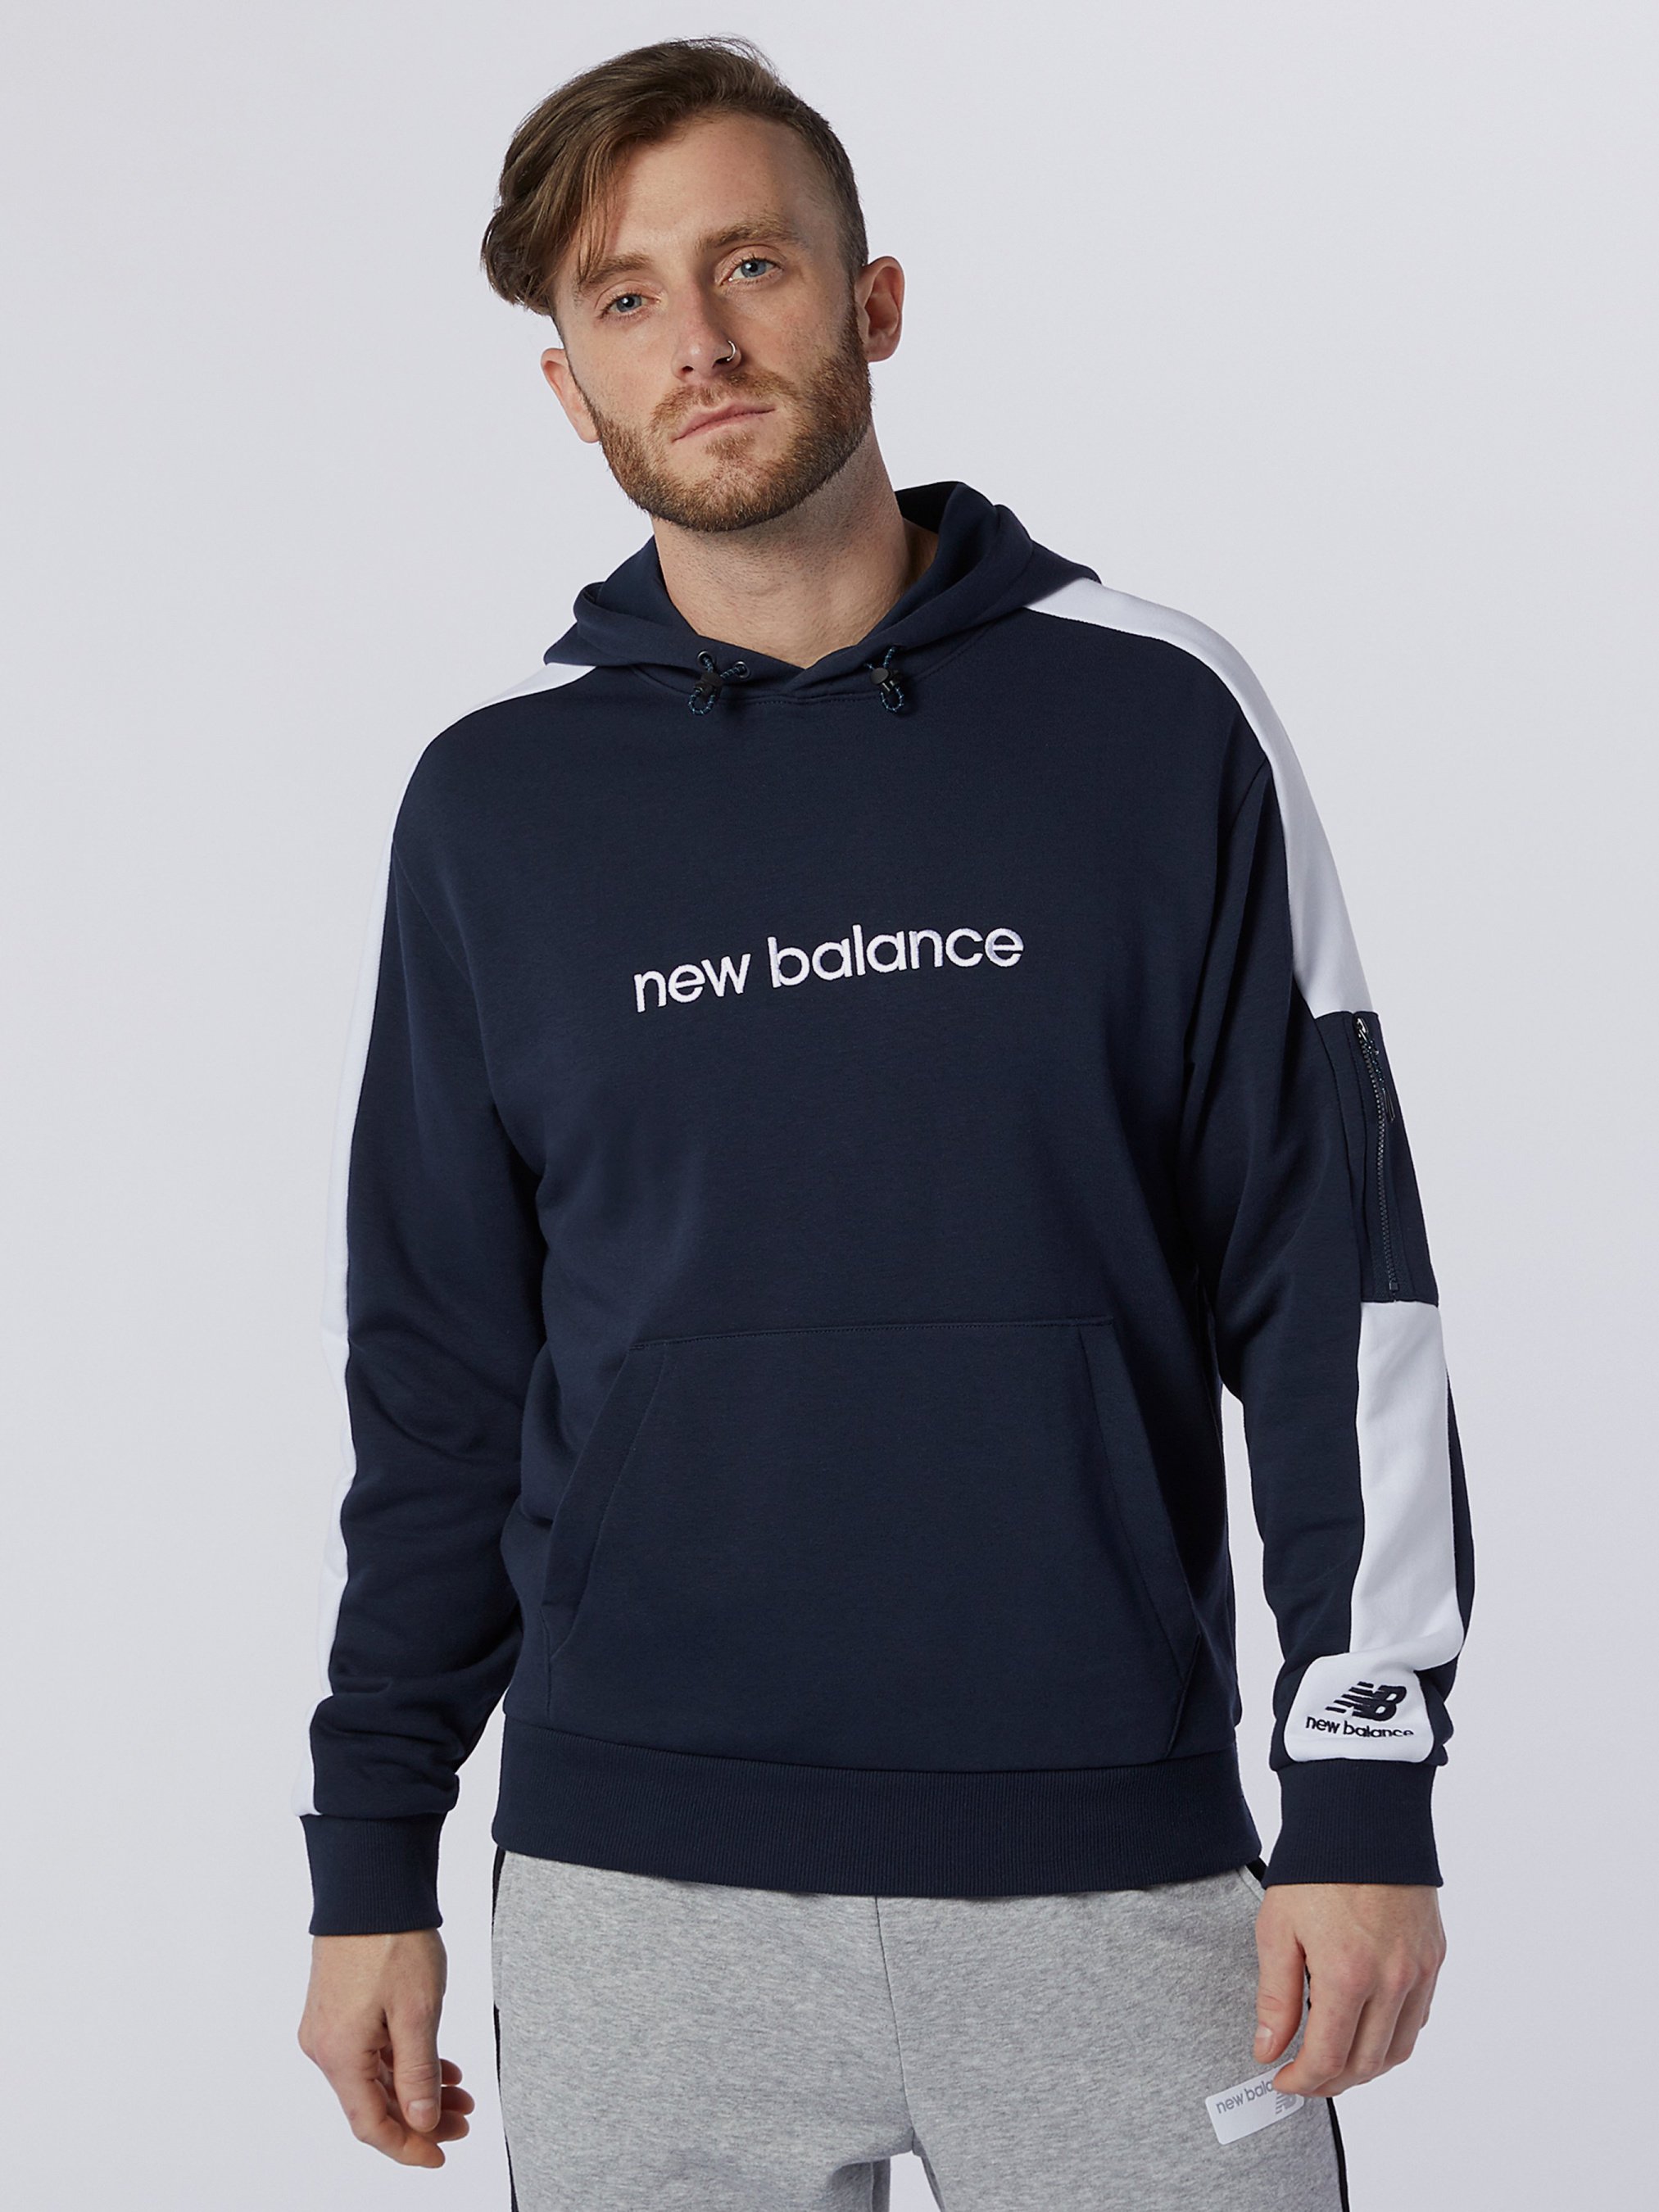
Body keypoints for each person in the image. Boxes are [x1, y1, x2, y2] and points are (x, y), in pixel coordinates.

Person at [292, 35, 1473, 2211]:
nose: (698, 337)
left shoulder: (1153, 715)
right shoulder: (497, 810)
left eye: (750, 263)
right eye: (625, 296)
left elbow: (1335, 1282)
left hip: (1117, 1871)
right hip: (637, 1893)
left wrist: (1365, 1782)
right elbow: (440, 1373)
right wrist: (372, 1848)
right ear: (567, 382)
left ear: (873, 300)